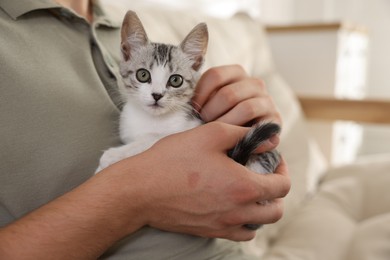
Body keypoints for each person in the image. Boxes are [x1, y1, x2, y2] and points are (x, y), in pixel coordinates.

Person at [0, 0, 290, 259]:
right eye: (144, 76)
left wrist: (247, 118)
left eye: (172, 82)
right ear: (127, 53)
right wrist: (135, 195)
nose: (156, 93)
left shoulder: (118, 26)